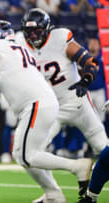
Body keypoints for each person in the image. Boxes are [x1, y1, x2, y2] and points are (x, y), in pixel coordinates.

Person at [0, 20, 93, 203]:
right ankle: (53, 194)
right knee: (24, 154)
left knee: (25, 155)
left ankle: (76, 166)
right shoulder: (15, 51)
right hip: (43, 102)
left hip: (35, 104)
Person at [15, 8, 109, 202]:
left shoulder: (60, 38)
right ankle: (53, 193)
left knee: (104, 148)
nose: (33, 36)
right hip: (50, 109)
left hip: (76, 101)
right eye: (29, 32)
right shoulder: (19, 44)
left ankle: (89, 192)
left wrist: (85, 80)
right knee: (30, 154)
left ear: (47, 29)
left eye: (37, 31)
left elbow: (90, 63)